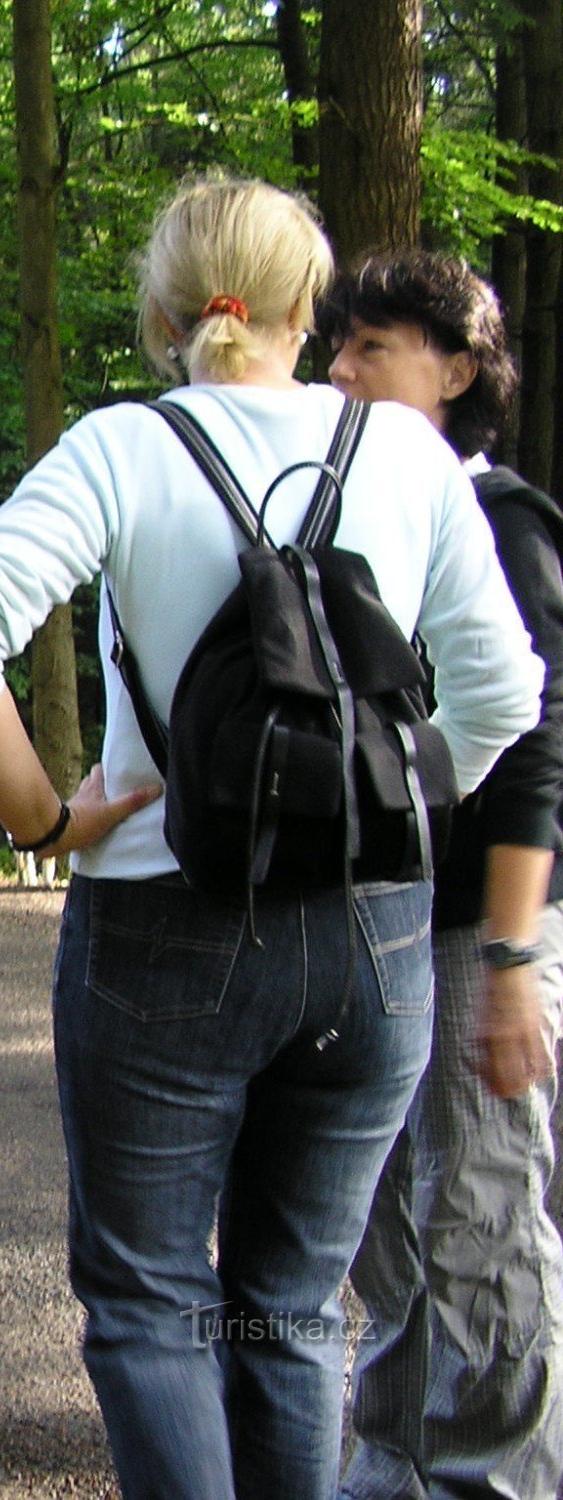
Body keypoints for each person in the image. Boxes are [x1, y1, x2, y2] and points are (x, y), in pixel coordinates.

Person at [0, 176, 542, 1498]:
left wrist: (44, 817)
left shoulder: (125, 447)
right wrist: (403, 814)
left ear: (165, 308)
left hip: (162, 922)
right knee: (295, 1302)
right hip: (372, 939)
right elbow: (507, 693)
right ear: (308, 310)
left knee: (150, 1297)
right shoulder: (409, 455)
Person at [321, 251, 563, 1500]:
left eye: (371, 348)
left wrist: (513, 965)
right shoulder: (361, 517)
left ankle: (501, 1479)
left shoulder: (499, 523)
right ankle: (400, 1460)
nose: (337, 371)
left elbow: (531, 757)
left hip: (480, 925)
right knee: (385, 1224)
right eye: (335, 348)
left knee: (481, 1222)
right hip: (381, 921)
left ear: (456, 369)